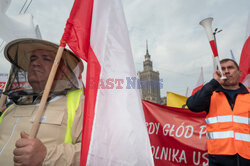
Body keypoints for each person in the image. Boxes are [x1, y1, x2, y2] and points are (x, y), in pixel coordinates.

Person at [0, 38, 84, 165]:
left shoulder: (79, 104)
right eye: (33, 59)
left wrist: (46, 157)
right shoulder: (13, 105)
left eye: (46, 58)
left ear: (63, 71)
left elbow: (95, 150)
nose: (35, 63)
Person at [186, 58, 250, 166]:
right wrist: (213, 83)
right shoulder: (211, 95)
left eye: (230, 67)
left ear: (240, 73)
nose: (226, 71)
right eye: (222, 69)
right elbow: (192, 105)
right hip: (218, 160)